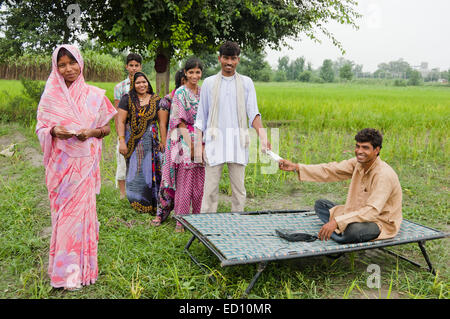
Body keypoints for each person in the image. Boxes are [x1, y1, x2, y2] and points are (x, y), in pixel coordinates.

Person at [36, 45, 117, 290]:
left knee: (79, 220)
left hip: (84, 166)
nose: (68, 69)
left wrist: (91, 132)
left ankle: (81, 272)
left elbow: (106, 129)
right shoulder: (51, 96)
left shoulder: (94, 95)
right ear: (56, 67)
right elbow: (41, 127)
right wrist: (53, 131)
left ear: (81, 63)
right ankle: (63, 274)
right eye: (62, 64)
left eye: (72, 62)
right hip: (61, 169)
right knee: (62, 219)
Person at [278, 128, 402, 243]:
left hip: (378, 221)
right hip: (357, 213)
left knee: (354, 231)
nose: (359, 151)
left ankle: (339, 233)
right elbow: (330, 170)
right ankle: (338, 231)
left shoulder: (383, 175)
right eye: (357, 146)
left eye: (365, 148)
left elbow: (372, 211)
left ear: (377, 150)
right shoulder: (358, 164)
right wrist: (297, 167)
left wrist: (337, 222)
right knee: (321, 205)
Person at [194, 41, 270, 214]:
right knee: (210, 191)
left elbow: (254, 113)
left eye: (233, 58)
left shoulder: (246, 82)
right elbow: (201, 117)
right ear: (219, 58)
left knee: (239, 190)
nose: (229, 62)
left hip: (238, 143)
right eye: (226, 58)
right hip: (214, 143)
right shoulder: (209, 83)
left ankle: (237, 227)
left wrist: (264, 137)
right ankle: (207, 230)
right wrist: (199, 145)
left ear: (238, 60)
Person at [153, 58, 205, 232]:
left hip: (202, 138)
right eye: (191, 72)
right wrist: (191, 146)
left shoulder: (203, 92)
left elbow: (207, 118)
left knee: (199, 183)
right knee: (184, 183)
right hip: (184, 140)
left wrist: (202, 144)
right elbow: (179, 121)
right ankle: (180, 222)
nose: (194, 76)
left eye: (198, 72)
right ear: (185, 73)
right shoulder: (180, 93)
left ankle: (197, 219)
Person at [116, 72, 164, 213]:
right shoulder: (127, 99)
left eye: (144, 82)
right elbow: (121, 121)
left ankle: (153, 202)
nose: (142, 85)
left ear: (148, 83)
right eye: (138, 83)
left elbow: (162, 122)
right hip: (133, 143)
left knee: (151, 171)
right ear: (133, 84)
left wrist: (163, 140)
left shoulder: (156, 99)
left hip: (152, 143)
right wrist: (122, 141)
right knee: (135, 171)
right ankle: (136, 201)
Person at [151, 70, 186, 226]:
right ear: (180, 82)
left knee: (185, 180)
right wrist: (164, 143)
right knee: (167, 179)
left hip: (189, 142)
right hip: (173, 143)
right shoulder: (168, 100)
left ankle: (183, 213)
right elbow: (163, 124)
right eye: (186, 80)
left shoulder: (195, 98)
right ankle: (161, 214)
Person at [114, 53, 143, 199]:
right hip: (125, 130)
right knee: (122, 161)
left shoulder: (144, 85)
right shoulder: (120, 87)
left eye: (136, 65)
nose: (133, 68)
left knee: (139, 162)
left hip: (140, 130)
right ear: (126, 67)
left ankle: (137, 191)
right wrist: (120, 137)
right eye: (131, 65)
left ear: (140, 67)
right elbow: (117, 113)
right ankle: (122, 194)